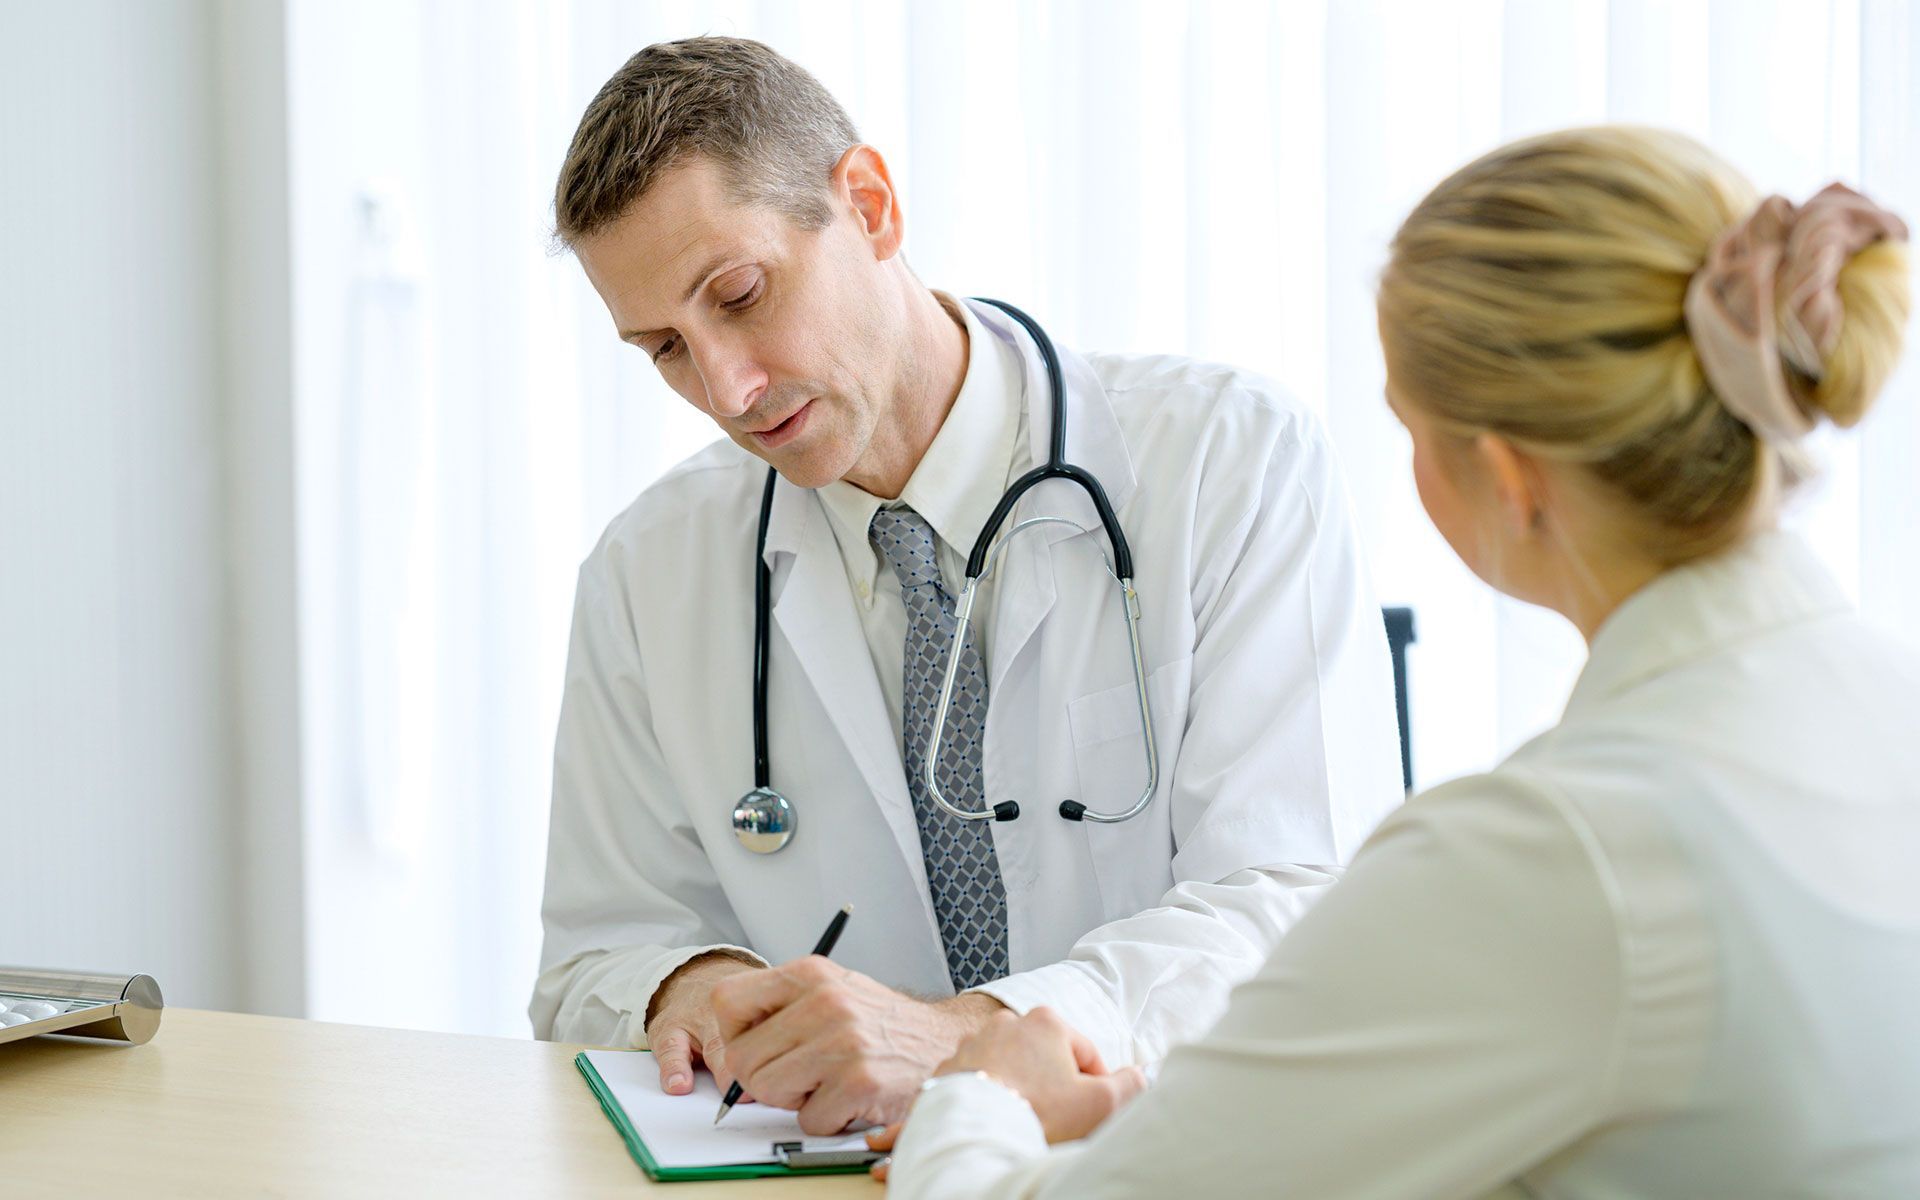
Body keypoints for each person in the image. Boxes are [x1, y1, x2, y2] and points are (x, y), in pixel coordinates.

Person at [877, 126, 1920, 1197]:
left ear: (1510, 478)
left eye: (1408, 426)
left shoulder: (1546, 857)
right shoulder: (1889, 711)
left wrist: (985, 1093)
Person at [527, 36, 1404, 1134]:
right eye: (664, 346)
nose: (727, 388)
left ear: (871, 204)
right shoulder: (646, 572)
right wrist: (688, 989)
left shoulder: (1230, 462)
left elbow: (1298, 910)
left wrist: (969, 1042)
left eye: (740, 295)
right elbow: (589, 961)